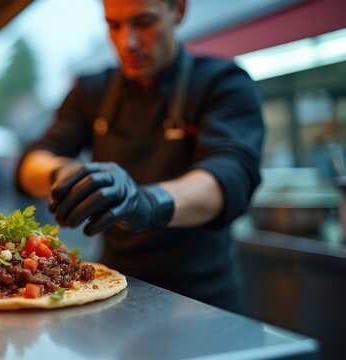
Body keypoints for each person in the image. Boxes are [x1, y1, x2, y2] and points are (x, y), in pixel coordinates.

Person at [15, 0, 264, 313]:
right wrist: (64, 174)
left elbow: (228, 177)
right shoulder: (92, 91)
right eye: (114, 25)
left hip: (202, 299)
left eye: (144, 22)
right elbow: (30, 161)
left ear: (180, 10)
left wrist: (146, 201)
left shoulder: (222, 83)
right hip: (111, 293)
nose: (127, 43)